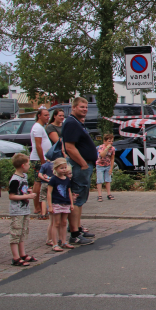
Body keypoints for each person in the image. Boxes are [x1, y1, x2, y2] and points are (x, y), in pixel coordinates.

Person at [62, 97, 96, 246]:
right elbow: (69, 147)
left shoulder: (77, 123)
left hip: (85, 165)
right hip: (80, 166)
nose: (85, 109)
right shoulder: (71, 123)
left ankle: (77, 227)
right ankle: (74, 234)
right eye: (81, 107)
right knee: (77, 198)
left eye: (86, 107)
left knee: (81, 199)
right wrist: (83, 164)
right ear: (74, 107)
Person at [8, 153, 37, 266]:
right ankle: (16, 257)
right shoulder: (15, 180)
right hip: (17, 210)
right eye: (28, 164)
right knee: (16, 233)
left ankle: (22, 254)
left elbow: (22, 190)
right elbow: (12, 196)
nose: (29, 166)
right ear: (23, 165)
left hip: (24, 209)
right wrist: (28, 196)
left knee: (23, 232)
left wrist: (28, 192)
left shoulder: (24, 176)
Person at [47, 158, 75, 251]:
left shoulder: (67, 179)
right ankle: (55, 243)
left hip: (65, 203)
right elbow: (49, 193)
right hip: (56, 203)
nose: (63, 170)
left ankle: (64, 241)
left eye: (65, 168)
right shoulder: (53, 179)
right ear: (56, 168)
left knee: (64, 222)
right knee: (56, 223)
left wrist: (71, 203)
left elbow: (69, 192)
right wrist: (50, 206)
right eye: (61, 168)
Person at [29, 107, 52, 218]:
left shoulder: (41, 127)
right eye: (45, 115)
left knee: (39, 182)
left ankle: (39, 207)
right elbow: (38, 146)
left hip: (41, 158)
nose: (48, 117)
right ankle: (37, 207)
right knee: (38, 182)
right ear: (39, 116)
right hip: (38, 159)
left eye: (48, 115)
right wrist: (43, 161)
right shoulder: (37, 128)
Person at [37, 159, 58, 247]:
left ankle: (43, 213)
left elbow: (39, 174)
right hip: (52, 184)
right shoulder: (55, 165)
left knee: (43, 198)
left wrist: (45, 179)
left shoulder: (44, 165)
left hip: (44, 183)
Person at [95, 133, 116, 201]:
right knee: (100, 180)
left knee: (108, 180)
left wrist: (111, 168)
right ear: (104, 141)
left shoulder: (112, 149)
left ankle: (109, 194)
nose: (111, 143)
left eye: (112, 141)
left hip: (107, 165)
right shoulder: (101, 147)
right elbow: (102, 155)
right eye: (109, 141)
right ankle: (99, 195)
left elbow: (112, 158)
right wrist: (107, 148)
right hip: (100, 165)